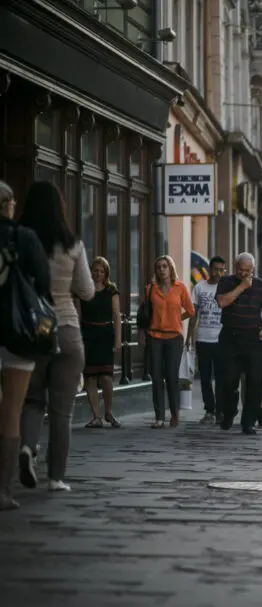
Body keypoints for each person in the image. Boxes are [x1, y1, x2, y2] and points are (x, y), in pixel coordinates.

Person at [16, 181, 93, 494]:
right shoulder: (72, 243)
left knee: (32, 400)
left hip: (35, 329)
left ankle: (27, 449)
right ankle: (56, 478)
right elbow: (87, 291)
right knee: (62, 410)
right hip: (67, 328)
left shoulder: (21, 242)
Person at [0, 181, 51, 510]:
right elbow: (43, 285)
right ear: (8, 204)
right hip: (18, 334)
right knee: (11, 411)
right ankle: (2, 490)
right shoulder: (25, 237)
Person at [215, 252, 262, 435]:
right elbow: (222, 302)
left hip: (253, 339)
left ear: (253, 269)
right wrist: (242, 287)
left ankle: (249, 421)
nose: (244, 274)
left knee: (255, 382)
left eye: (248, 271)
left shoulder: (260, 285)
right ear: (234, 267)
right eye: (241, 270)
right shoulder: (226, 282)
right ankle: (229, 412)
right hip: (230, 337)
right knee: (228, 380)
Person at [145, 255, 195, 428]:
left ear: (171, 268)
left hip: (174, 337)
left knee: (172, 376)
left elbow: (191, 310)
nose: (162, 269)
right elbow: (146, 312)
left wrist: (177, 318)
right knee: (156, 377)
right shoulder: (151, 288)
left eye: (165, 266)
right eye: (159, 267)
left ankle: (174, 414)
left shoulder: (180, 287)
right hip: (155, 336)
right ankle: (159, 416)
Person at [81, 256, 122, 428]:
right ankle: (96, 416)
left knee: (106, 377)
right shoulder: (84, 290)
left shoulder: (111, 291)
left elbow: (116, 316)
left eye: (101, 271)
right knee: (90, 377)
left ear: (106, 273)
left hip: (105, 335)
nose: (98, 274)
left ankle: (108, 412)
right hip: (88, 335)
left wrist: (118, 340)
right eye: (95, 270)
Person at [188, 256, 226, 425]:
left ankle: (220, 411)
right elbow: (193, 314)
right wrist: (190, 336)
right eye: (216, 269)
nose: (218, 273)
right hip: (203, 338)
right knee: (204, 377)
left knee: (221, 377)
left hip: (221, 340)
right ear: (210, 270)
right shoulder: (199, 288)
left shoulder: (227, 288)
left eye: (221, 270)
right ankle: (209, 410)